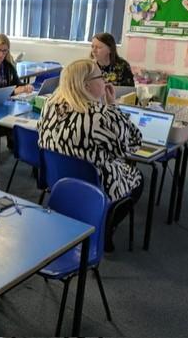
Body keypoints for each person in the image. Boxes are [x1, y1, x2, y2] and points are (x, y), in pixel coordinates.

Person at [37, 59, 143, 250]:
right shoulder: (99, 115)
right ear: (86, 85)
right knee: (138, 177)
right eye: (101, 77)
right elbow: (132, 144)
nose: (105, 80)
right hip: (96, 183)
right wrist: (112, 105)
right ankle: (107, 226)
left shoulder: (49, 105)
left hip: (57, 180)